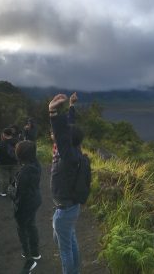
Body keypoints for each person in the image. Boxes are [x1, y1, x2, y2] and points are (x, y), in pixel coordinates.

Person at [48, 92, 91, 274]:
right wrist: (71, 105)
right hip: (71, 206)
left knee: (65, 249)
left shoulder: (67, 154)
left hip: (65, 209)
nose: (54, 135)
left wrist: (53, 112)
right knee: (70, 240)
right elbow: (69, 127)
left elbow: (63, 131)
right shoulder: (75, 151)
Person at [13, 140, 42, 273]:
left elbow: (19, 195)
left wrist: (10, 191)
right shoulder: (36, 165)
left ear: (20, 155)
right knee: (31, 224)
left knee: (22, 228)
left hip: (25, 204)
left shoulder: (23, 172)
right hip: (35, 199)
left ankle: (28, 258)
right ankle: (35, 252)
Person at [0, 127, 19, 197]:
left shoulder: (2, 143)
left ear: (4, 134)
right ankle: (14, 191)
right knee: (14, 177)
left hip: (3, 163)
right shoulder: (16, 141)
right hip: (14, 162)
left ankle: (4, 192)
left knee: (4, 178)